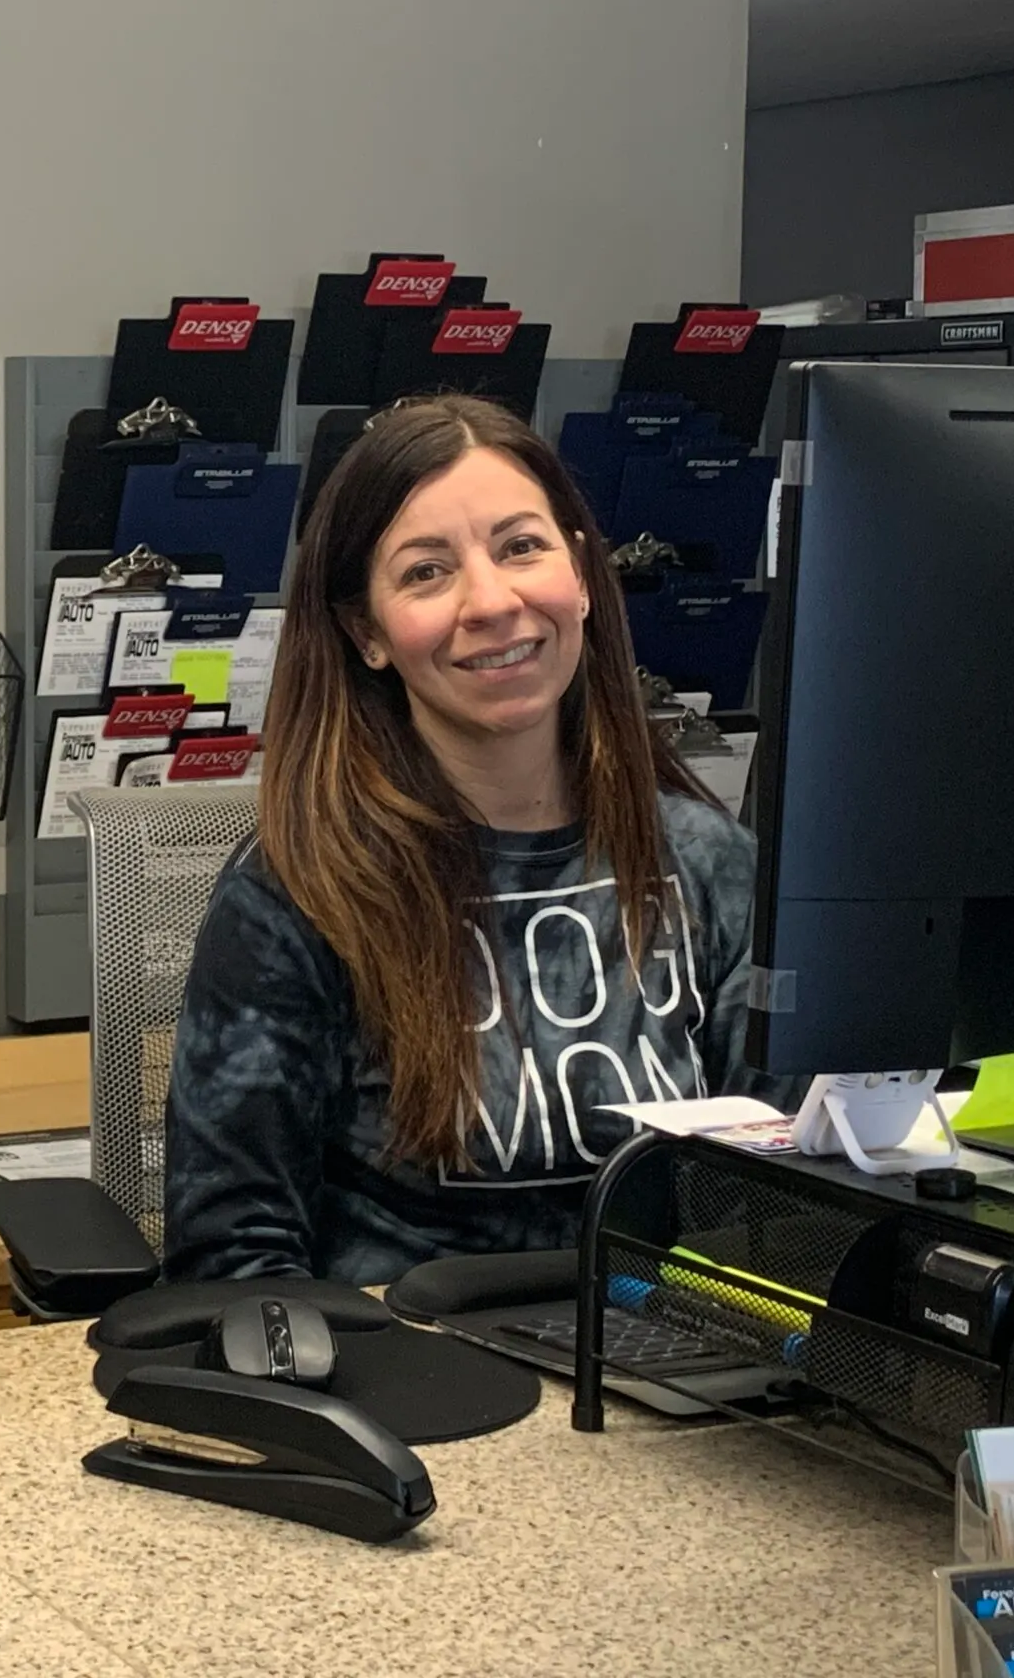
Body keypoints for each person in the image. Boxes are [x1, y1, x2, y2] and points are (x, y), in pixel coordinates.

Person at [162, 394, 781, 1285]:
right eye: (426, 573)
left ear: (579, 573)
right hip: (404, 1381)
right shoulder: (300, 892)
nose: (492, 601)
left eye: (522, 547)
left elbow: (789, 1204)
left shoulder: (710, 862)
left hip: (673, 1373)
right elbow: (233, 1260)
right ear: (366, 633)